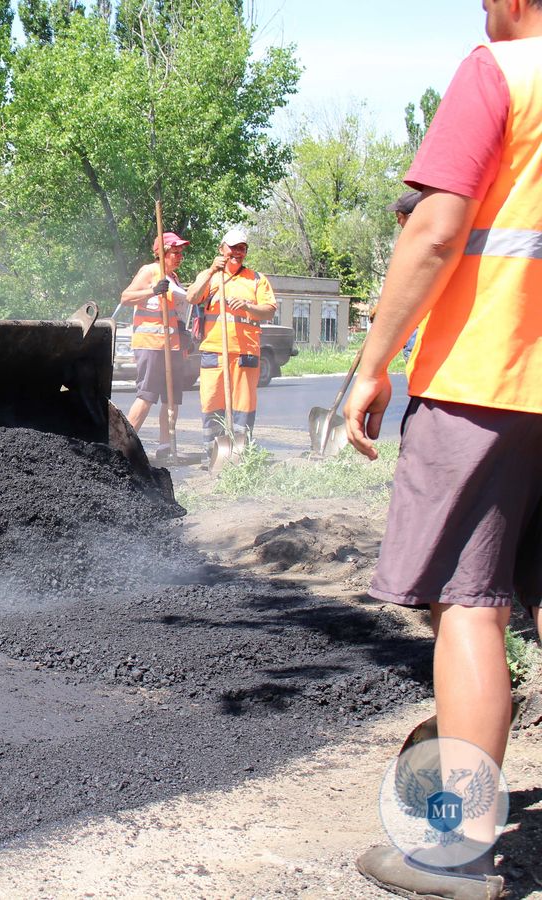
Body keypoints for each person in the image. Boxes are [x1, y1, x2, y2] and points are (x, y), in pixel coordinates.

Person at [345, 1, 542, 896]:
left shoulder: (498, 72)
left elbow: (434, 230)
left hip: (488, 380)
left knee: (470, 600)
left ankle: (452, 847)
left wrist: (372, 363)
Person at [187, 227, 276, 456]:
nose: (237, 252)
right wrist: (210, 272)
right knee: (212, 404)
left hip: (246, 351)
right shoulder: (210, 277)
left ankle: (240, 454)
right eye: (233, 247)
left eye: (242, 248)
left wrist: (248, 306)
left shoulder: (257, 279)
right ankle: (213, 454)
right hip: (214, 351)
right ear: (221, 249)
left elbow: (269, 311)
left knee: (243, 407)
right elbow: (192, 297)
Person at [119, 231, 191, 463]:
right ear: (161, 252)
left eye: (181, 252)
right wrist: (153, 290)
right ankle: (120, 447)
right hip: (151, 346)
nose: (179, 256)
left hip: (172, 347)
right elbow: (125, 297)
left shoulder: (175, 279)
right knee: (147, 396)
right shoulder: (150, 271)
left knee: (171, 400)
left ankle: (165, 447)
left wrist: (183, 333)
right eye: (174, 252)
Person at [386, 190, 424, 363]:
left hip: (419, 326)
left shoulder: (418, 243)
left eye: (399, 216)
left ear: (411, 216)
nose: (398, 221)